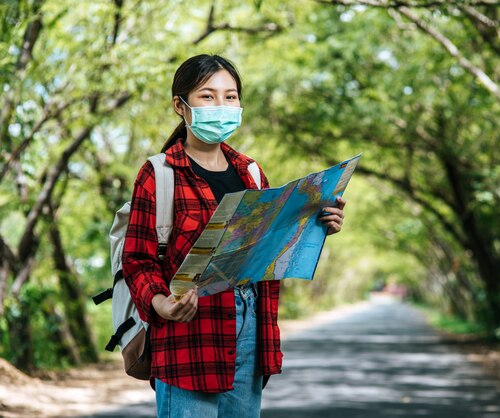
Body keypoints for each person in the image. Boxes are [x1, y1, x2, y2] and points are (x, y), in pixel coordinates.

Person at [122, 54, 346, 418]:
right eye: (207, 96)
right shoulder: (159, 174)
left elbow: (270, 248)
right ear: (180, 105)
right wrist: (162, 303)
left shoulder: (252, 173)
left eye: (230, 96)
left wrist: (319, 222)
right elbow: (137, 260)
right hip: (189, 335)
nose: (221, 106)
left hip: (250, 330)